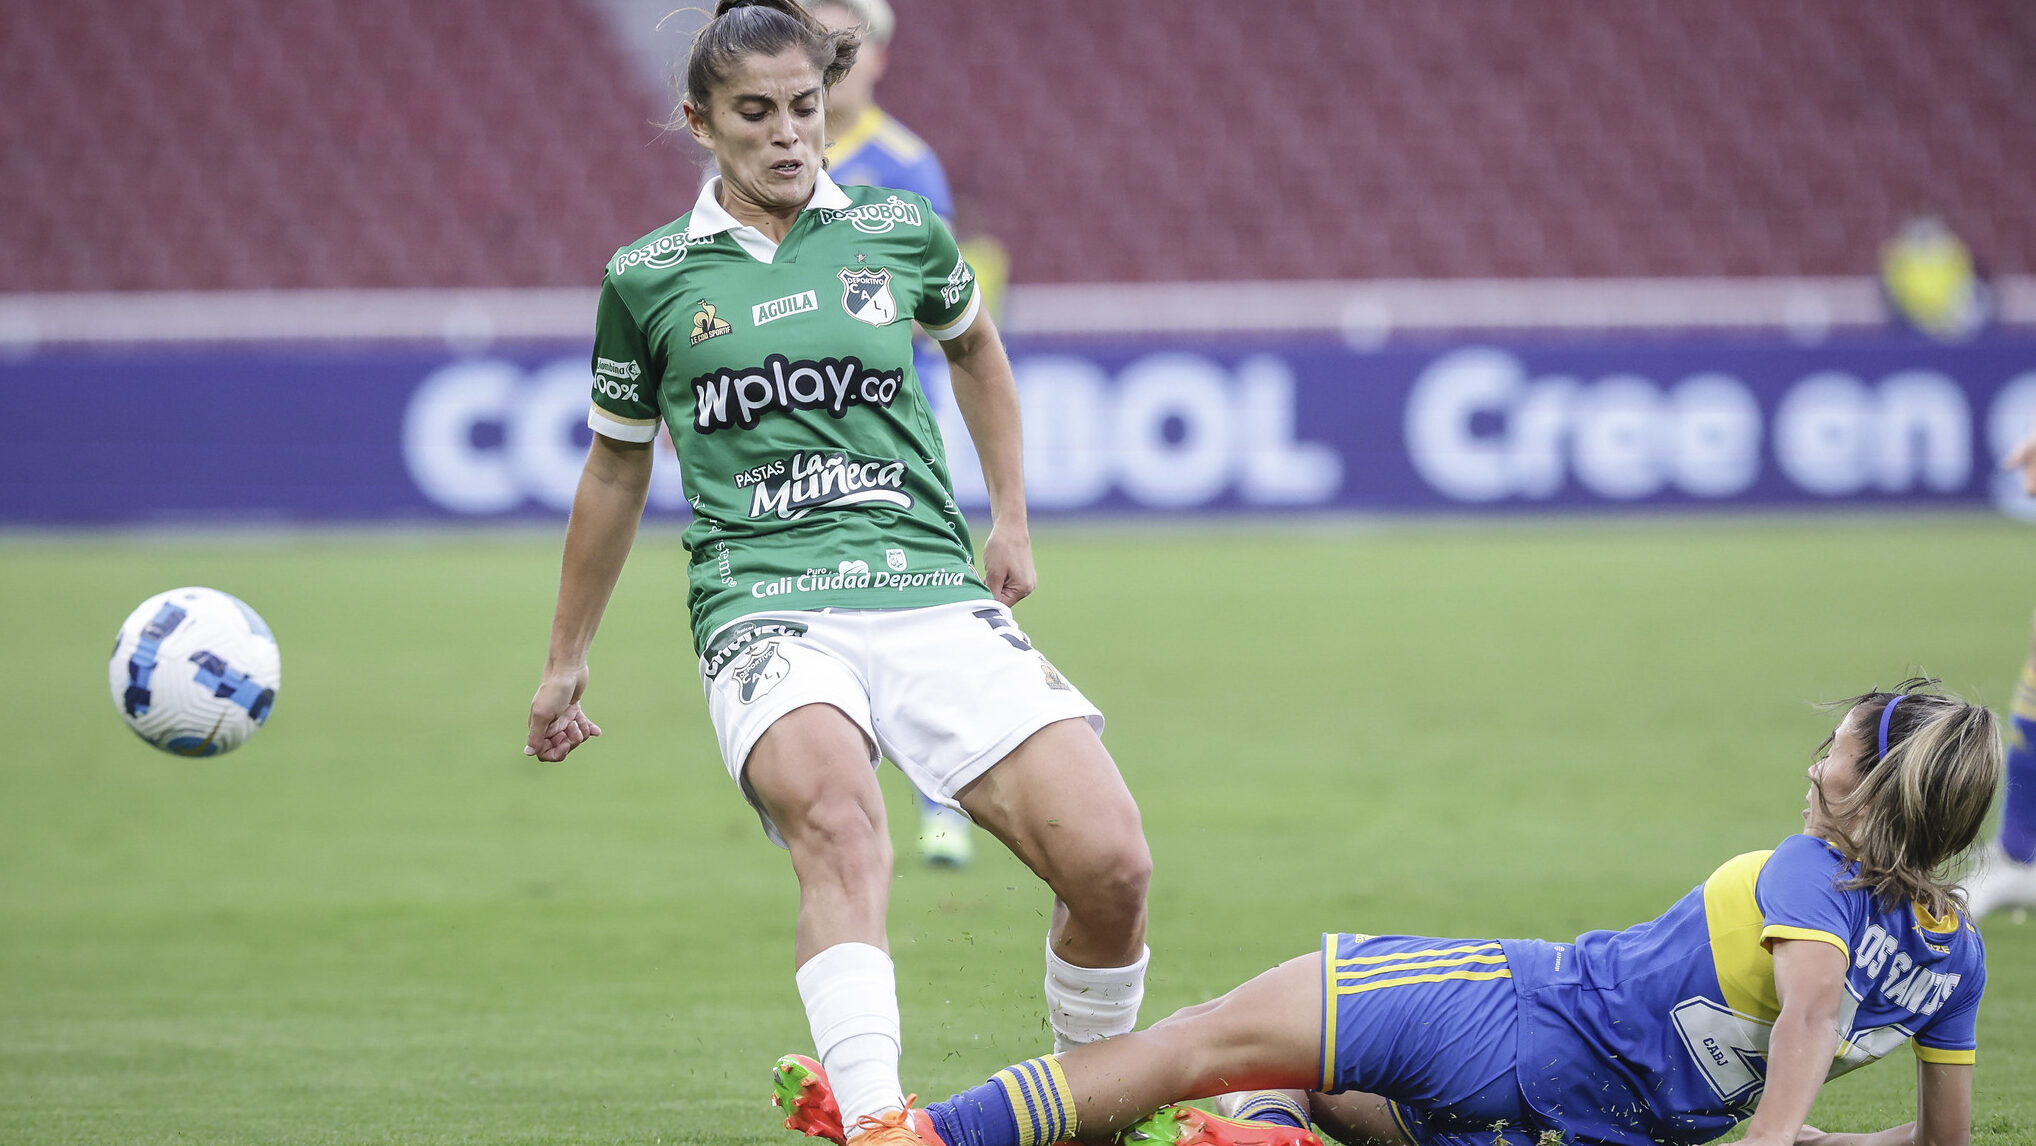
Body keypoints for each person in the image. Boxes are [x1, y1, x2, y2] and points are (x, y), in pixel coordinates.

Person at [522, 3, 1153, 1142]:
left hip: (926, 588)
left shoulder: (900, 229)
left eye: (802, 108)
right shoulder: (648, 277)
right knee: (840, 822)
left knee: (1110, 864)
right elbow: (614, 474)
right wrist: (566, 660)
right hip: (763, 603)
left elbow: (974, 350)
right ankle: (876, 1122)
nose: (785, 135)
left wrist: (1007, 517)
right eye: (752, 114)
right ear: (699, 123)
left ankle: (1092, 1105)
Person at [777, 681, 1999, 1146]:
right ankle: (1268, 1138)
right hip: (1597, 1128)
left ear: (1871, 791)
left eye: (1831, 757)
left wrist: (1778, 1141)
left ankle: (919, 1139)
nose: (1809, 770)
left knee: (1189, 1042)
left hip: (1523, 1016)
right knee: (1312, 1100)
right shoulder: (1957, 958)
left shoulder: (1808, 879)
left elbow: (1807, 1010)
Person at [807, 0, 974, 869]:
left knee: (915, 598)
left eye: (853, 44)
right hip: (796, 427)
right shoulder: (763, 160)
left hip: (894, 419)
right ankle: (845, 796)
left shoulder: (908, 167)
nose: (839, 59)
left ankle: (941, 798)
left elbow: (934, 308)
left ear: (877, 58)